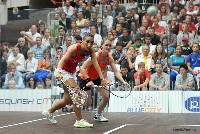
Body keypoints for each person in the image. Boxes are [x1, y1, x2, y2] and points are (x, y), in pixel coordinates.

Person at [42, 33, 108, 128]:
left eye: (91, 42)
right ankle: (79, 120)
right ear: (82, 41)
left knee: (67, 100)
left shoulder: (90, 50)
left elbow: (96, 64)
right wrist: (59, 72)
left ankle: (49, 111)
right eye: (87, 42)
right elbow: (63, 60)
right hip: (63, 71)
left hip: (71, 73)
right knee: (78, 94)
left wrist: (102, 78)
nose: (89, 45)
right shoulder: (74, 48)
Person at [79, 39, 129, 122]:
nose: (108, 47)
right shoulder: (96, 56)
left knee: (106, 96)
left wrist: (123, 82)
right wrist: (88, 80)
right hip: (85, 78)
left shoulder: (110, 58)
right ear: (102, 45)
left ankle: (98, 115)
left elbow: (116, 71)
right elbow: (82, 68)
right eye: (106, 45)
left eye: (110, 45)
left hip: (97, 78)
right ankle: (74, 103)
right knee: (88, 103)